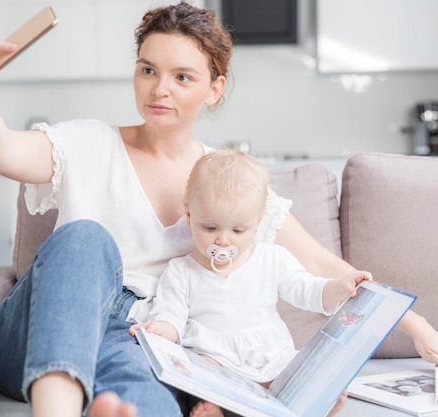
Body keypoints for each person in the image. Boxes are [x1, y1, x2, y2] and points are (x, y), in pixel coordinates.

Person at [0, 2, 438, 417]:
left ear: (214, 89)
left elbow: (325, 268)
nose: (159, 89)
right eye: (148, 70)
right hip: (43, 327)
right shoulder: (87, 141)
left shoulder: (227, 185)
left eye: (182, 77)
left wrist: (422, 330)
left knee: (146, 393)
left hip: (144, 336)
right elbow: (1, 152)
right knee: (87, 236)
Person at [130, 149, 373, 417]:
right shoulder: (180, 270)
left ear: (257, 224)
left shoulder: (272, 258)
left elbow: (309, 290)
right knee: (196, 376)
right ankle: (218, 409)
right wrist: (161, 330)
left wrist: (340, 286)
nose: (223, 240)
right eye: (210, 228)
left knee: (304, 369)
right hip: (216, 359)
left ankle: (310, 406)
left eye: (238, 230)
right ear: (189, 217)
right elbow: (171, 315)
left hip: (271, 355)